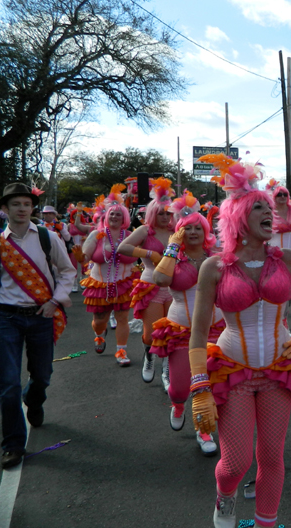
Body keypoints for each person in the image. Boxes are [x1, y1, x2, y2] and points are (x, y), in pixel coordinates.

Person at [190, 153, 291, 528]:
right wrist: (200, 386)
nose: (269, 213)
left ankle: (265, 522)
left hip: (278, 371)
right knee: (234, 464)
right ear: (238, 217)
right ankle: (225, 498)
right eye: (259, 208)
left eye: (269, 207)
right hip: (232, 370)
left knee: (272, 456)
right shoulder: (214, 267)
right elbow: (197, 333)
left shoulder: (287, 258)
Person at [0, 183, 75, 469]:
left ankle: (34, 399)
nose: (22, 209)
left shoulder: (48, 238)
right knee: (7, 384)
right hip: (6, 317)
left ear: (32, 207)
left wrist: (56, 301)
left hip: (41, 316)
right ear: (4, 210)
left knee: (42, 375)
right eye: (16, 204)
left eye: (26, 203)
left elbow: (68, 270)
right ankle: (13, 445)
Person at [150, 190, 221, 456]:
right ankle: (178, 404)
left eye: (198, 228)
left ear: (206, 232)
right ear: (179, 232)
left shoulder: (217, 257)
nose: (193, 232)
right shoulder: (173, 259)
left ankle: (204, 430)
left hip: (216, 330)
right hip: (182, 330)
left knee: (209, 385)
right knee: (180, 388)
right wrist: (172, 246)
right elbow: (160, 281)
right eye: (187, 229)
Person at [118, 178, 176, 387]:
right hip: (150, 286)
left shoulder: (176, 231)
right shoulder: (144, 231)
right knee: (151, 335)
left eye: (168, 213)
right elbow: (122, 248)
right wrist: (148, 253)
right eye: (161, 213)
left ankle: (167, 368)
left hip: (174, 287)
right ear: (153, 213)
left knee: (171, 332)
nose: (164, 216)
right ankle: (149, 356)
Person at [81, 185, 139, 366]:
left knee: (122, 318)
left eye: (118, 214)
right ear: (105, 216)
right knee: (100, 321)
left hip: (123, 284)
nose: (114, 217)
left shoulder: (131, 235)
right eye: (111, 214)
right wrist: (80, 257)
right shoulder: (96, 235)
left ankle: (121, 351)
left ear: (124, 218)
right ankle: (99, 334)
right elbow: (86, 256)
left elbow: (140, 254)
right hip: (100, 285)